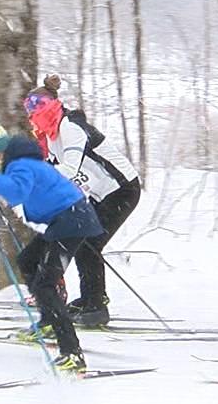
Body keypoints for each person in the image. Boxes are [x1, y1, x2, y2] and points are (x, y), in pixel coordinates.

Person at [0, 113, 104, 372]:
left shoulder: (20, 165)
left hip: (72, 220)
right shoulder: (16, 163)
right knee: (27, 261)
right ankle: (48, 322)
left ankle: (72, 353)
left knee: (45, 284)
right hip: (65, 220)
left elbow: (15, 191)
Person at [24, 75, 140, 326]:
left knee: (89, 243)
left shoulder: (71, 128)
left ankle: (96, 305)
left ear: (51, 106)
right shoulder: (52, 136)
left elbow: (69, 169)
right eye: (28, 109)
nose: (31, 115)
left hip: (122, 189)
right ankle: (91, 300)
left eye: (36, 107)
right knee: (84, 242)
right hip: (100, 193)